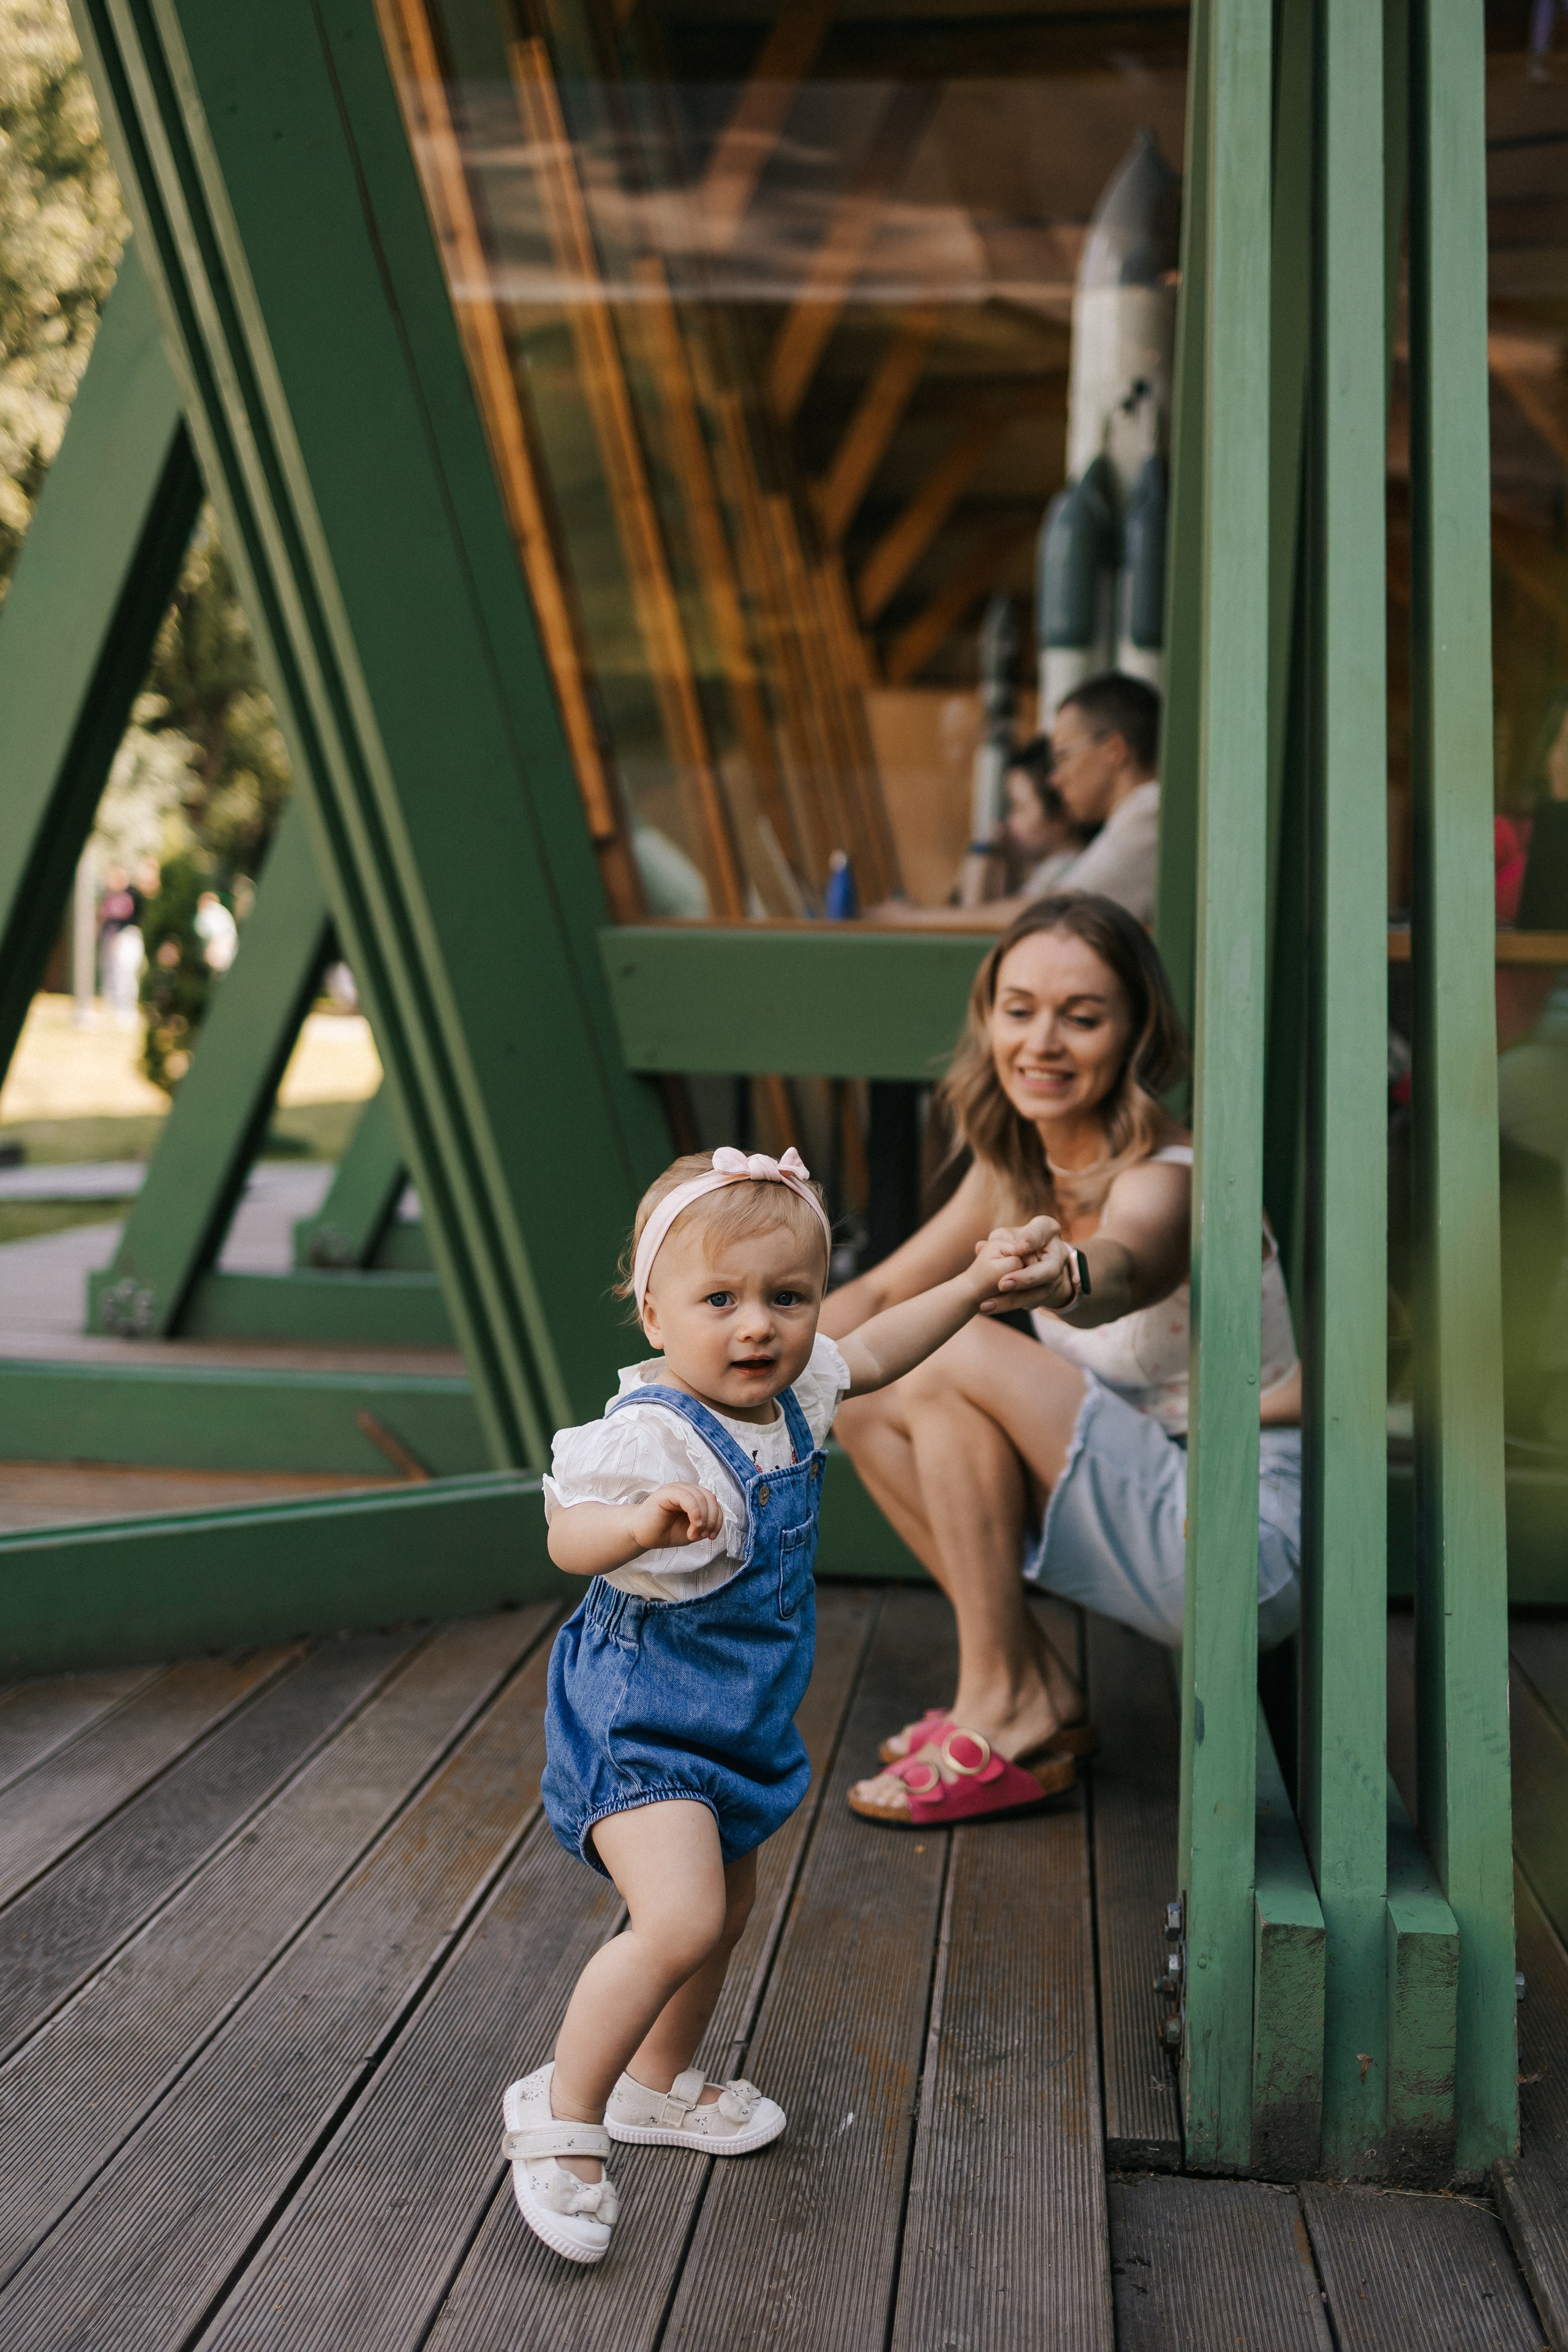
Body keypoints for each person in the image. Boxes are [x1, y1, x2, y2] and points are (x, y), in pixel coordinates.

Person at [507, 1143, 1063, 2263]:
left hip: (740, 1719)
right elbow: (569, 1535)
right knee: (680, 1918)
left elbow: (882, 1346)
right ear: (654, 1311)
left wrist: (971, 1287)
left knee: (727, 1907)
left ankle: (654, 2085)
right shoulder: (649, 1436)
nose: (757, 1326)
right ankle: (561, 2121)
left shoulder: (799, 1392)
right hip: (640, 1718)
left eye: (786, 1297)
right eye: (721, 1300)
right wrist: (643, 1525)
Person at [821, 892, 1302, 1826]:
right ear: (989, 1019)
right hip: (1151, 1488)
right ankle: (1022, 1688)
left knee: (935, 1358)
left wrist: (1066, 1273)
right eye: (1019, 1009)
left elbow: (1129, 1262)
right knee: (865, 1393)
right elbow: (878, 1297)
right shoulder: (1018, 1169)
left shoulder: (1175, 1179)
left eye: (1080, 1018)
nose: (1041, 1041)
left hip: (1240, 1537)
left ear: (1134, 1034)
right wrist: (730, 1374)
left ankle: (1004, 1700)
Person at [881, 673, 1163, 931]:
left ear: (1114, 751)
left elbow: (1061, 912)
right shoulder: (1133, 816)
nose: (1055, 779)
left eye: (1063, 757)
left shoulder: (1150, 812)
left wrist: (915, 919)